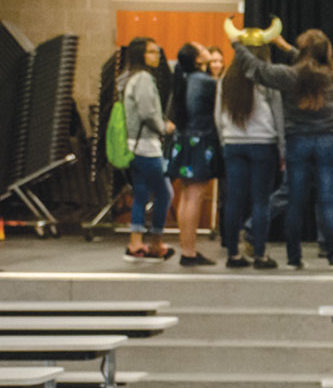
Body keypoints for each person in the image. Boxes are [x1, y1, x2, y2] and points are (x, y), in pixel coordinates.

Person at [228, 27, 333, 270]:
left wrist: (237, 46)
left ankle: (294, 257)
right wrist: (287, 47)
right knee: (328, 201)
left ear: (303, 52)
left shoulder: (290, 75)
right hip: (328, 141)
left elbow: (258, 69)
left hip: (298, 141)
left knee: (295, 201)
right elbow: (312, 64)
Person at [216, 43, 285, 269]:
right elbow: (278, 115)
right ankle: (260, 254)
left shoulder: (226, 79)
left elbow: (218, 115)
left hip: (233, 144)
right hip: (263, 144)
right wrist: (282, 148)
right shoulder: (267, 79)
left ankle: (233, 254)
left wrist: (224, 140)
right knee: (261, 201)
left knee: (233, 200)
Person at [166, 41, 222, 266]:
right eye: (203, 50)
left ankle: (187, 248)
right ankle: (189, 252)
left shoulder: (183, 79)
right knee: (195, 196)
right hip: (200, 141)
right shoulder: (206, 82)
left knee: (186, 195)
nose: (208, 50)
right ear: (198, 59)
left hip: (183, 141)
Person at [119, 36, 175, 261]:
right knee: (165, 193)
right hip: (146, 145)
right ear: (140, 55)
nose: (157, 55)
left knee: (141, 193)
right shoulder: (143, 78)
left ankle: (135, 243)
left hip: (133, 145)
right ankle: (155, 243)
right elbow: (147, 112)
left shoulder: (128, 77)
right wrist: (164, 127)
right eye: (152, 51)